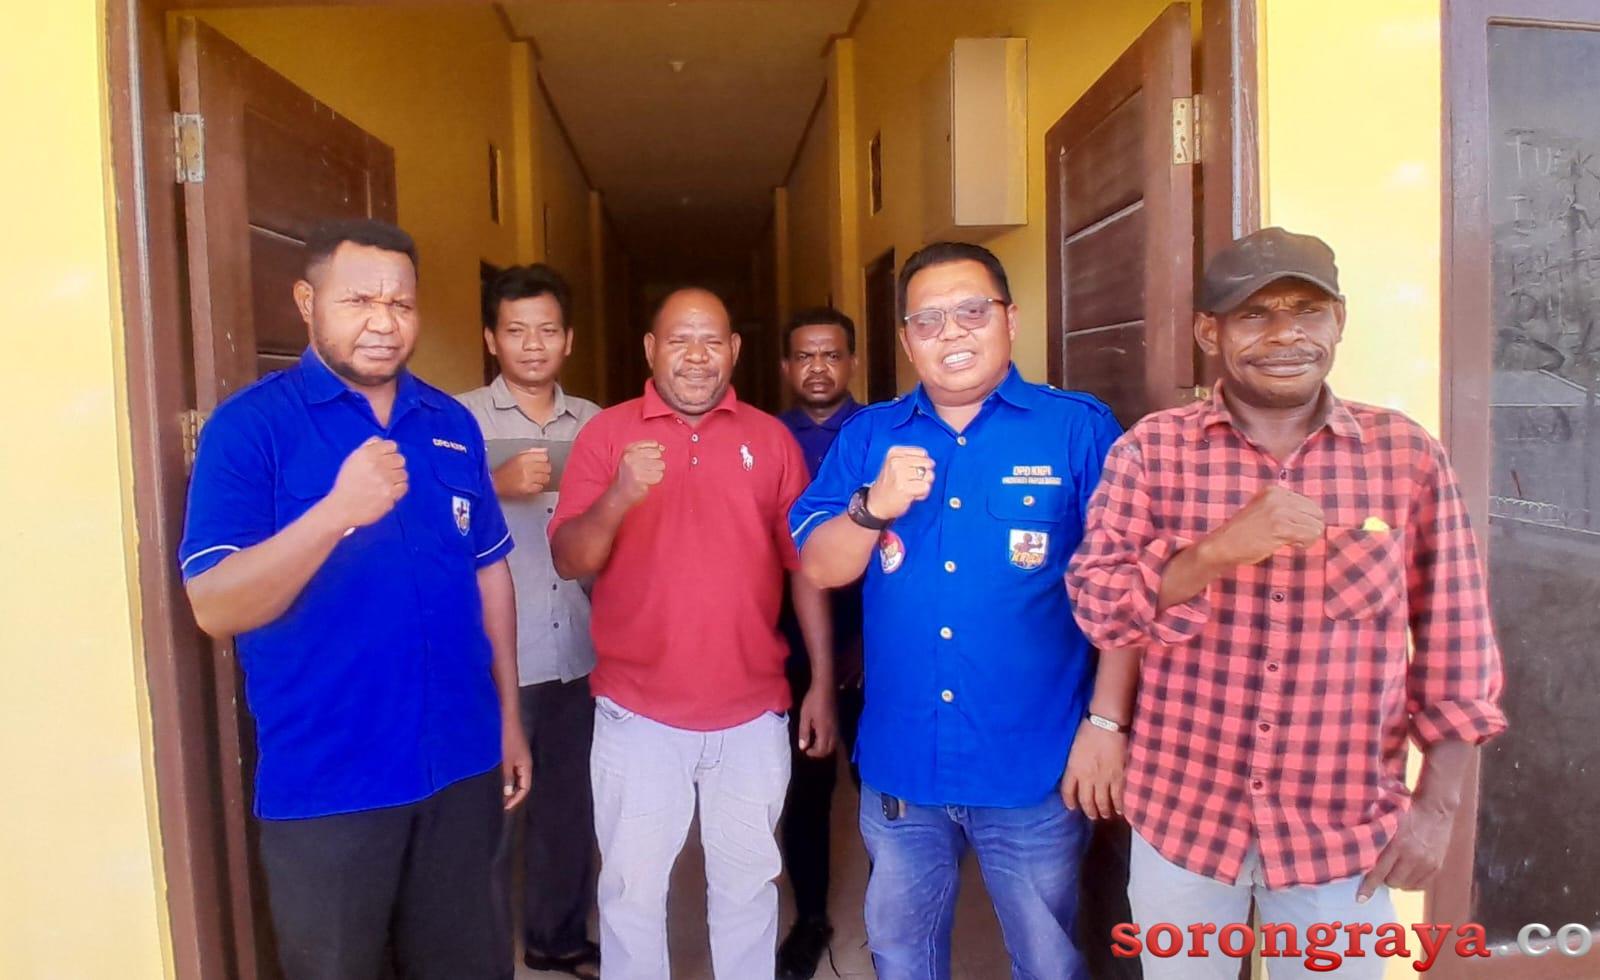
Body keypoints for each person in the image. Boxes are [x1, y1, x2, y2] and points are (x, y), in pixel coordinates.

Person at [1067, 227, 1507, 979]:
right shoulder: (1152, 450)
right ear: (1209, 332)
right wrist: (1214, 552)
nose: (1285, 335)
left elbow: (1457, 642)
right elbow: (1100, 605)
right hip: (1183, 820)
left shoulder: (1404, 455)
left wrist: (1436, 810)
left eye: (1307, 311)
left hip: (1341, 834)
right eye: (1254, 314)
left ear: (1340, 321)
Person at [178, 218, 531, 980]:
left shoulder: (450, 423)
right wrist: (336, 512)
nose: (383, 322)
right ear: (307, 302)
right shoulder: (251, 430)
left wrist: (509, 718)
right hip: (331, 783)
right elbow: (214, 605)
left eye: (400, 303)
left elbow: (489, 573)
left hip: (462, 762)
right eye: (358, 301)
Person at [789, 242, 1130, 980]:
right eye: (929, 319)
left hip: (1035, 764)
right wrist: (873, 506)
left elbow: (1129, 583)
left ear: (1010, 320)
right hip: (903, 765)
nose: (952, 332)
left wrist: (1107, 724)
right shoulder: (870, 436)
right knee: (901, 955)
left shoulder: (1077, 429)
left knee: (1048, 960)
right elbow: (819, 564)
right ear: (907, 340)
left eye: (972, 311)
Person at [548, 287, 838, 980]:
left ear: (734, 350)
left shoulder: (771, 440)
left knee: (747, 892)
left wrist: (822, 683)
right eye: (680, 340)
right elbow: (567, 559)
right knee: (631, 895)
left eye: (712, 340)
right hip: (637, 713)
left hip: (752, 713)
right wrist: (620, 494)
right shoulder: (607, 435)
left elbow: (805, 567)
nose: (697, 356)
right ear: (652, 350)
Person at [458, 264, 601, 979]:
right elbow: (419, 522)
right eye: (516, 331)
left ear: (568, 339)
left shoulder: (598, 424)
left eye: (547, 330)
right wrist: (495, 485)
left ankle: (556, 937)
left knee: (568, 812)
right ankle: (484, 959)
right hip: (492, 658)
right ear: (492, 339)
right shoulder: (457, 422)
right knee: (491, 821)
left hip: (577, 647)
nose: (533, 345)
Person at [773, 307, 866, 980]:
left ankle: (900, 913)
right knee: (804, 789)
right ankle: (810, 919)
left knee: (881, 785)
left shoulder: (881, 431)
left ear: (852, 362)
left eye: (831, 354)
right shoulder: (767, 439)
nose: (818, 368)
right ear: (785, 367)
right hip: (789, 641)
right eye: (805, 355)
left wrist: (865, 643)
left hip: (875, 640)